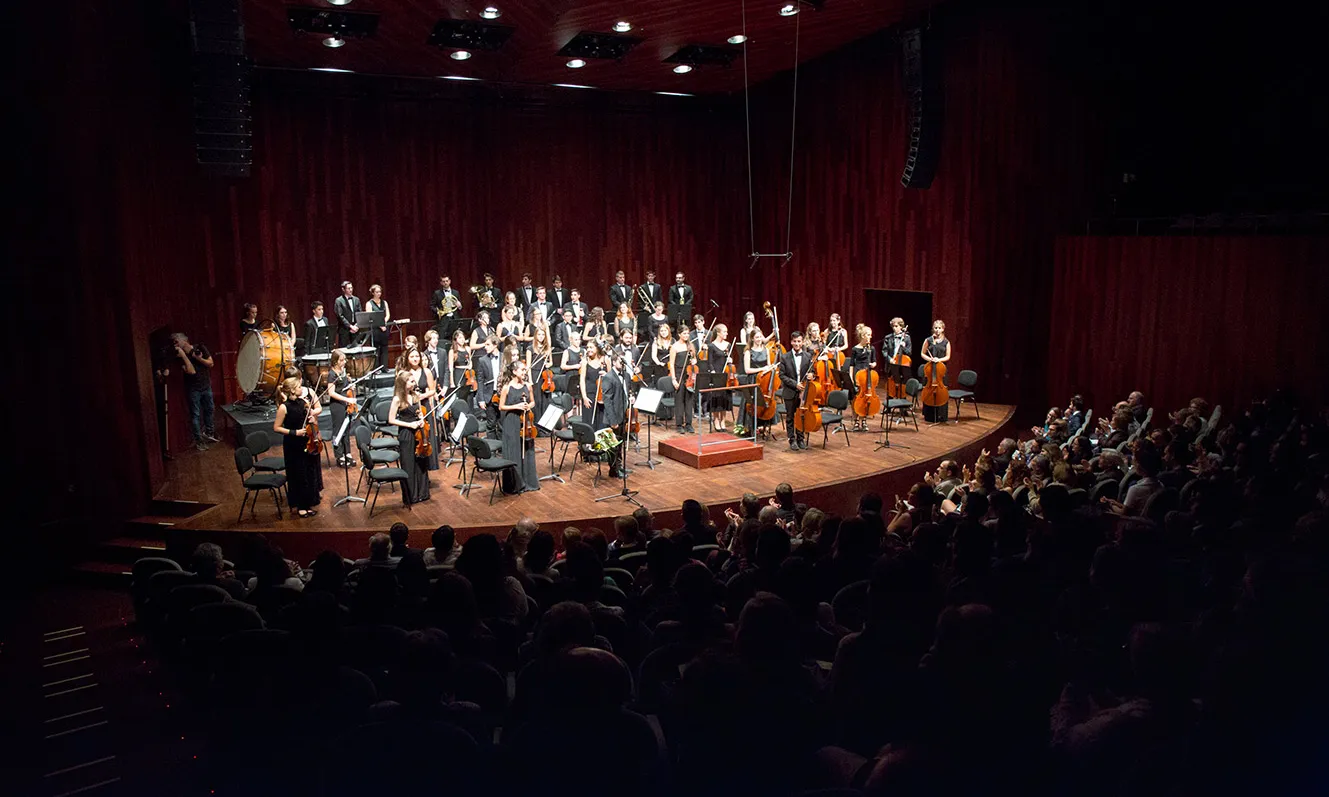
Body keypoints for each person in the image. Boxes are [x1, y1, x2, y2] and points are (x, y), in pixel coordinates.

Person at [272, 376, 322, 518]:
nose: (302, 389)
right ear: (293, 390)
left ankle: (307, 503)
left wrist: (312, 418)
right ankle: (300, 506)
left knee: (308, 474)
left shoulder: (304, 402)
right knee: (298, 475)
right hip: (293, 445)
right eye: (299, 387)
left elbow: (308, 417)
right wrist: (294, 432)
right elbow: (276, 427)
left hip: (306, 442)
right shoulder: (284, 407)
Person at [388, 370, 431, 505]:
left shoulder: (415, 395)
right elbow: (391, 420)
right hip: (406, 433)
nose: (415, 383)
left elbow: (419, 413)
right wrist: (409, 425)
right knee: (408, 463)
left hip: (418, 432)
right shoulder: (397, 399)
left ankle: (422, 493)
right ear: (403, 383)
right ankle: (410, 496)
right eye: (412, 381)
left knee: (421, 461)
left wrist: (421, 420)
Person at [498, 360, 540, 494]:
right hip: (511, 422)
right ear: (514, 372)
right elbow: (501, 406)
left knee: (527, 451)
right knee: (514, 451)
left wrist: (529, 406)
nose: (525, 372)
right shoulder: (507, 387)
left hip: (526, 422)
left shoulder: (528, 386)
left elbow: (533, 401)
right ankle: (515, 484)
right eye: (522, 370)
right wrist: (516, 406)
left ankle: (529, 482)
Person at [172, 333, 217, 450]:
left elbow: (211, 363)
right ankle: (199, 441)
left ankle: (209, 433)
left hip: (206, 385)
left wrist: (198, 358)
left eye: (177, 341)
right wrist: (184, 355)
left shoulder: (200, 347)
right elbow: (191, 371)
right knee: (195, 414)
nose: (175, 344)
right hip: (193, 389)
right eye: (174, 342)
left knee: (210, 409)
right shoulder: (179, 357)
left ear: (184, 340)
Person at [400, 347, 440, 472]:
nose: (415, 359)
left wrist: (422, 396)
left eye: (417, 356)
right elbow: (400, 391)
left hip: (424, 406)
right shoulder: (404, 373)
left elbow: (432, 390)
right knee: (415, 437)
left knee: (426, 436)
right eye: (412, 356)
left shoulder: (426, 371)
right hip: (410, 407)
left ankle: (426, 468)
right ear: (407, 358)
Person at [779, 330, 813, 450]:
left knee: (801, 415)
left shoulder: (808, 356)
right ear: (791, 342)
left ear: (802, 342)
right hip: (790, 391)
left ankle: (800, 438)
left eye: (799, 341)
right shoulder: (784, 357)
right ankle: (791, 439)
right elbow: (782, 375)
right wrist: (795, 384)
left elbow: (812, 371)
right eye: (794, 341)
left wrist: (811, 375)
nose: (797, 344)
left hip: (803, 392)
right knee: (790, 417)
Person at [599, 350, 631, 478]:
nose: (623, 364)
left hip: (624, 414)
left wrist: (631, 398)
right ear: (613, 362)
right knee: (613, 445)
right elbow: (607, 401)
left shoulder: (626, 375)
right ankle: (614, 470)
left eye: (624, 362)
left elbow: (627, 392)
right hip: (614, 417)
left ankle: (620, 466)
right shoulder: (608, 377)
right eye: (620, 361)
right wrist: (613, 421)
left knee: (620, 443)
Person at [742, 329, 778, 436]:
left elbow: (768, 365)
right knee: (753, 405)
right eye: (756, 337)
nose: (759, 339)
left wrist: (771, 367)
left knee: (764, 402)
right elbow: (747, 370)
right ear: (752, 338)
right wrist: (762, 368)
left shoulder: (766, 350)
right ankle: (751, 428)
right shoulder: (748, 352)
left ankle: (763, 425)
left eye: (760, 337)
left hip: (764, 381)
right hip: (753, 380)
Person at [325, 349, 357, 467]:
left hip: (345, 403)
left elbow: (344, 387)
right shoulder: (332, 374)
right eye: (342, 360)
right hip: (337, 405)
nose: (344, 362)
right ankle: (339, 455)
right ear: (335, 361)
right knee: (338, 430)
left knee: (346, 430)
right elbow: (331, 393)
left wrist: (351, 387)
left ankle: (347, 453)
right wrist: (347, 399)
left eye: (344, 359)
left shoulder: (343, 371)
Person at [920, 318, 951, 422]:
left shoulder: (946, 342)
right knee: (929, 389)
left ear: (943, 329)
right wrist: (930, 359)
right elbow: (922, 353)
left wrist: (939, 360)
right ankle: (929, 415)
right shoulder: (928, 340)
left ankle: (941, 415)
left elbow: (948, 356)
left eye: (939, 328)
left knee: (941, 391)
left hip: (941, 370)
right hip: (930, 369)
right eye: (935, 328)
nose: (937, 330)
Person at [669, 322, 697, 434]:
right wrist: (674, 379)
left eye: (687, 333)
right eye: (684, 333)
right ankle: (679, 424)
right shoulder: (674, 347)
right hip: (679, 374)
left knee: (689, 401)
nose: (686, 336)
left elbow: (694, 360)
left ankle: (689, 424)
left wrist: (694, 361)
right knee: (679, 401)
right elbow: (671, 364)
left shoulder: (691, 346)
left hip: (689, 375)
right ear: (679, 334)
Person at [848, 325, 877, 431]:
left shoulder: (871, 348)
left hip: (867, 375)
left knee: (865, 398)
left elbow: (874, 361)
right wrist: (851, 377)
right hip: (857, 374)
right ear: (863, 336)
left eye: (871, 335)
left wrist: (873, 364)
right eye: (868, 335)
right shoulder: (855, 349)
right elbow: (851, 364)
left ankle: (864, 420)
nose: (870, 337)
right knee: (856, 398)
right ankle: (856, 420)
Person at [709, 323, 734, 431]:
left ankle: (723, 420)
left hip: (726, 375)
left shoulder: (728, 345)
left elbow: (731, 359)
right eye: (724, 331)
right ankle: (715, 419)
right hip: (716, 375)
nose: (726, 333)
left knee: (725, 398)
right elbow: (709, 363)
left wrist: (731, 360)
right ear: (718, 333)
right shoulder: (711, 346)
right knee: (716, 398)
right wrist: (714, 373)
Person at [579, 339, 609, 424]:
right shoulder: (585, 361)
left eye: (591, 347)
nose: (588, 349)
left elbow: (612, 378)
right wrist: (584, 397)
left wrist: (606, 375)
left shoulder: (605, 359)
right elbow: (582, 381)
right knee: (589, 423)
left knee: (602, 423)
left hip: (602, 395)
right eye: (587, 347)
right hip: (589, 395)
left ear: (597, 348)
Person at [473, 336, 502, 422]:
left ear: (495, 345)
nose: (485, 347)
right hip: (489, 395)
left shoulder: (504, 357)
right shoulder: (482, 360)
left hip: (502, 394)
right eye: (485, 345)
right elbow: (480, 381)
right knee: (491, 424)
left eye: (488, 345)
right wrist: (481, 399)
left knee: (502, 423)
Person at [365, 283, 391, 368]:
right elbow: (370, 316)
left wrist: (384, 322)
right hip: (375, 329)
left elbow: (387, 315)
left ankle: (384, 367)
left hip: (384, 327)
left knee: (384, 348)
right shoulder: (369, 303)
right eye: (377, 292)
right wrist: (380, 325)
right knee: (376, 348)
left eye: (380, 292)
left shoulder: (384, 302)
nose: (379, 294)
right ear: (373, 293)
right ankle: (376, 368)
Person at [430, 275, 462, 342]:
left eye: (447, 281)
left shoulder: (456, 292)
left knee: (455, 338)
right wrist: (438, 312)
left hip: (454, 318)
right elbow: (432, 306)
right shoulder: (437, 293)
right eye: (443, 281)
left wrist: (459, 306)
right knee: (442, 338)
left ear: (450, 281)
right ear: (441, 283)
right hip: (443, 319)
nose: (445, 283)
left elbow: (460, 307)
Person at [560, 328, 584, 406]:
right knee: (571, 398)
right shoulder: (567, 351)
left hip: (581, 376)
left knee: (580, 398)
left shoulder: (583, 351)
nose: (578, 341)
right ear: (571, 340)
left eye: (579, 339)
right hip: (571, 377)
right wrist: (575, 366)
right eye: (576, 339)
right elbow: (562, 366)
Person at [334, 281, 361, 348]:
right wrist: (350, 326)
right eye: (348, 288)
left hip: (355, 329)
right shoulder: (339, 300)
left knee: (356, 350)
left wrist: (356, 325)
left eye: (351, 288)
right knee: (344, 351)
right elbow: (340, 316)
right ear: (343, 289)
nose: (351, 290)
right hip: (344, 330)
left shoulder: (356, 299)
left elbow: (359, 313)